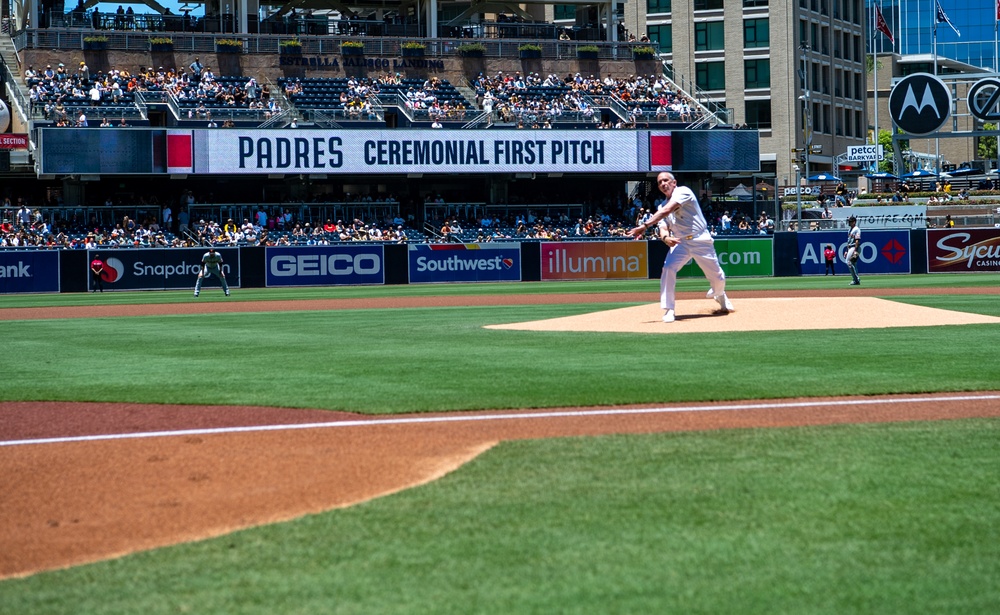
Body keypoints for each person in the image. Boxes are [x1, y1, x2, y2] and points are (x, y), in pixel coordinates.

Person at [627, 171, 734, 323]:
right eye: (660, 182)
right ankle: (669, 309)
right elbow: (663, 227)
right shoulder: (661, 205)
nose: (663, 184)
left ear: (674, 182)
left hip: (700, 239)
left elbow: (667, 211)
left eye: (666, 180)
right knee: (668, 268)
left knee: (717, 276)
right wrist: (665, 237)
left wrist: (644, 226)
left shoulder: (683, 191)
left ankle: (720, 294)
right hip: (680, 242)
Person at [843, 215, 861, 286]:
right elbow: (848, 242)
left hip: (854, 247)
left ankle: (856, 279)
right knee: (853, 264)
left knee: (848, 262)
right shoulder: (849, 230)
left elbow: (857, 240)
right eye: (849, 221)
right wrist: (846, 251)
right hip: (850, 247)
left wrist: (855, 251)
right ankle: (856, 279)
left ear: (854, 222)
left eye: (850, 221)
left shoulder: (857, 229)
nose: (849, 223)